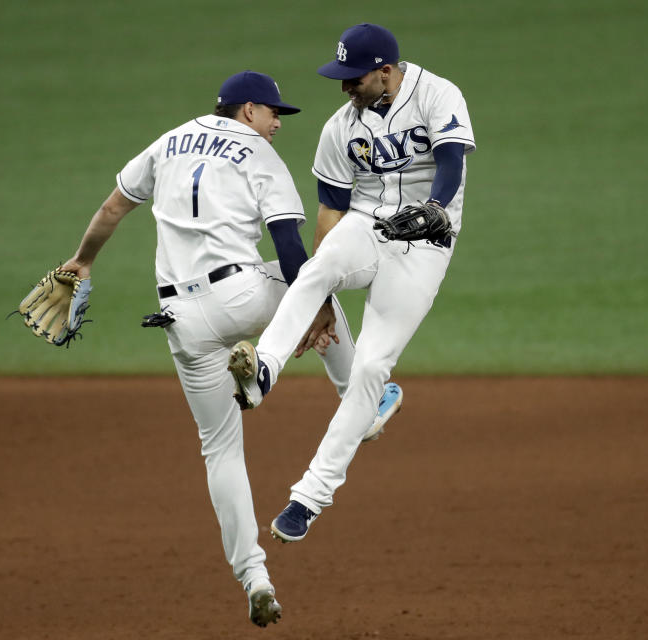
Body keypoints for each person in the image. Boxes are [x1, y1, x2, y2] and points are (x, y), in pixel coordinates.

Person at [54, 70, 402, 627]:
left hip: (180, 319)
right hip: (242, 295)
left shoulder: (166, 142)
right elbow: (291, 247)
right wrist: (312, 306)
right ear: (247, 111)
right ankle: (364, 403)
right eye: (272, 115)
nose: (276, 126)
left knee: (219, 449)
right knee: (321, 278)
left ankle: (254, 578)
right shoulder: (261, 158)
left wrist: (83, 258)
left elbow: (113, 209)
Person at [228, 23, 475, 544]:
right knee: (315, 270)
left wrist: (434, 209)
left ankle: (308, 499)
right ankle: (262, 372)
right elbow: (330, 211)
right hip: (366, 226)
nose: (344, 87)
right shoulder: (342, 128)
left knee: (370, 368)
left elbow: (451, 161)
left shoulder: (437, 94)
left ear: (385, 71)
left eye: (352, 77)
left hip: (425, 246)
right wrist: (321, 301)